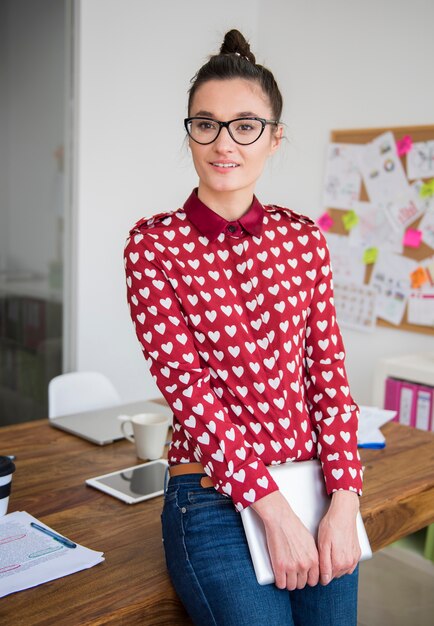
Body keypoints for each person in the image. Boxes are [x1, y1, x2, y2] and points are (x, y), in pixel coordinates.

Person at [124, 28, 363, 626]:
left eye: (245, 125)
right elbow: (189, 392)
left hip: (315, 485)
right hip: (209, 494)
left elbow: (328, 377)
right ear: (190, 132)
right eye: (205, 123)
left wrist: (345, 498)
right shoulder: (154, 246)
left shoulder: (304, 239)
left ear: (275, 138)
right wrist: (272, 513)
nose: (222, 142)